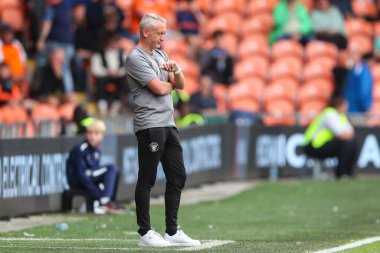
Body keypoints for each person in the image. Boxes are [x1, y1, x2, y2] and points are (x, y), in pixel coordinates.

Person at [125, 13, 201, 247]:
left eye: (164, 34)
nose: (163, 38)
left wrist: (177, 71)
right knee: (147, 178)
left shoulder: (161, 54)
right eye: (160, 33)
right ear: (146, 32)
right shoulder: (135, 58)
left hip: (168, 123)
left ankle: (172, 230)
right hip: (150, 125)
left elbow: (180, 85)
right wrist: (172, 84)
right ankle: (145, 233)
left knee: (178, 176)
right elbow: (159, 89)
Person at [66, 119, 122, 214]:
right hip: (77, 181)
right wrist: (97, 193)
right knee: (111, 168)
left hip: (89, 177)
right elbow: (81, 175)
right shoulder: (80, 149)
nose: (92, 137)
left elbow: (95, 172)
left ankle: (110, 201)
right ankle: (104, 201)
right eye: (90, 133)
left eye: (96, 134)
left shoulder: (97, 150)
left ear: (102, 136)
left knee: (116, 171)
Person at [303, 97, 357, 179]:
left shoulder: (342, 116)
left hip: (325, 144)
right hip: (314, 145)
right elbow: (340, 134)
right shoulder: (329, 114)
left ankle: (348, 172)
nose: (347, 108)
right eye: (345, 106)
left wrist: (347, 135)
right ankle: (341, 173)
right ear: (339, 106)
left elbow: (352, 134)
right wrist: (347, 135)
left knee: (352, 143)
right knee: (344, 144)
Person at [36, 0, 75, 96]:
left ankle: (39, 90)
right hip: (69, 44)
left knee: (42, 63)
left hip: (55, 43)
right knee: (64, 68)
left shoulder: (51, 9)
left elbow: (47, 24)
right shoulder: (66, 7)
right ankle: (67, 92)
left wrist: (41, 39)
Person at [91, 35, 127, 116]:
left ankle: (116, 106)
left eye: (115, 42)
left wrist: (118, 72)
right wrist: (108, 72)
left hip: (118, 77)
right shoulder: (99, 54)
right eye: (112, 42)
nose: (114, 44)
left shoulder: (123, 54)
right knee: (101, 81)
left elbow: (127, 68)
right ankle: (102, 106)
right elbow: (95, 70)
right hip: (104, 77)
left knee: (123, 82)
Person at [343, 44, 373, 113]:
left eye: (353, 53)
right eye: (349, 54)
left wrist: (366, 106)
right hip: (348, 110)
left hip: (358, 111)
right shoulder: (350, 71)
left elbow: (365, 91)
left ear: (359, 55)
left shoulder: (363, 71)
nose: (351, 56)